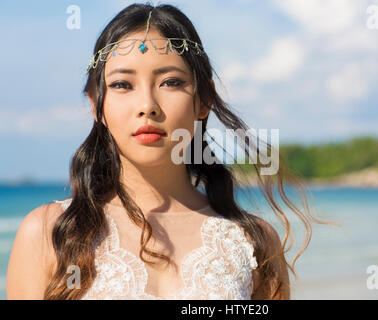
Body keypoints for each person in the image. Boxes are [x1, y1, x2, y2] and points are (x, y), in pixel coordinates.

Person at [7, 2, 328, 300]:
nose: (147, 106)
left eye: (171, 82)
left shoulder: (253, 242)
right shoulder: (49, 233)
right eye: (122, 84)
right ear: (96, 104)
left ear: (204, 100)